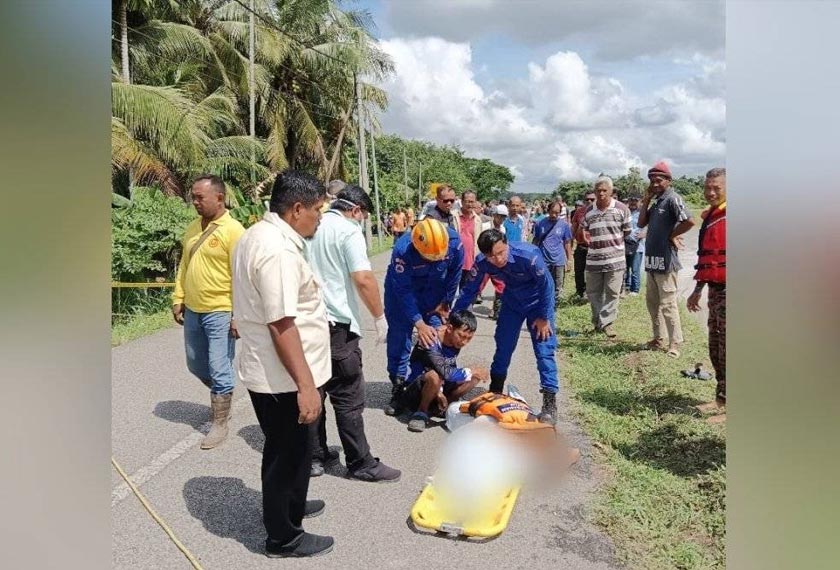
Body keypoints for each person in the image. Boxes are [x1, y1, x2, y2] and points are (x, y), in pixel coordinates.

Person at [231, 170, 333, 558]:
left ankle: (291, 505)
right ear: (296, 209)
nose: (320, 217)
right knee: (285, 453)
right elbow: (281, 323)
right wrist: (306, 387)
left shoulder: (259, 234)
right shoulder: (277, 251)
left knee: (297, 450)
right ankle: (283, 537)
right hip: (283, 376)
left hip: (279, 370)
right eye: (317, 210)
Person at [306, 185, 401, 482]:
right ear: (356, 210)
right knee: (347, 395)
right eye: (363, 216)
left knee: (314, 391)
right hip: (337, 326)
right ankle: (360, 463)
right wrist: (379, 317)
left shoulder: (310, 224)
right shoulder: (347, 230)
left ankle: (314, 456)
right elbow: (363, 278)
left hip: (307, 322)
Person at [454, 229, 561, 425]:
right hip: (512, 303)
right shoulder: (483, 262)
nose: (497, 259)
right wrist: (454, 318)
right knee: (503, 346)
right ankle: (495, 389)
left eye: (501, 252)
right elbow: (470, 290)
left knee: (544, 350)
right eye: (492, 256)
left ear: (506, 243)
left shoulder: (529, 256)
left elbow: (548, 286)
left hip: (539, 305)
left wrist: (544, 317)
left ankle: (549, 401)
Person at [172, 174, 245, 450]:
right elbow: (185, 267)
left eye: (200, 197)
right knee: (195, 364)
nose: (195, 202)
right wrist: (178, 297)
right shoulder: (192, 228)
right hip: (193, 308)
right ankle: (221, 392)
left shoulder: (233, 230)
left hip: (221, 310)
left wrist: (238, 314)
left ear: (219, 197)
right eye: (193, 197)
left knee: (218, 364)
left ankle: (219, 422)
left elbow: (240, 276)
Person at [383, 218, 464, 416]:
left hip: (434, 294)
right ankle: (400, 387)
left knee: (437, 336)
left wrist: (446, 302)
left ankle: (437, 384)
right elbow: (403, 291)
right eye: (430, 257)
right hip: (402, 294)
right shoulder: (402, 251)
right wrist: (418, 323)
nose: (436, 259)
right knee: (399, 338)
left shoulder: (454, 242)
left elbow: (455, 274)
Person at [637, 161, 696, 358]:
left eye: (659, 180)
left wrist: (672, 235)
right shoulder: (656, 201)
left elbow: (689, 220)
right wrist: (646, 200)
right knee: (652, 303)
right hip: (652, 261)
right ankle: (657, 338)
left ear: (668, 181)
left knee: (668, 304)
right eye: (652, 180)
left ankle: (675, 343)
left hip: (667, 261)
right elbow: (641, 222)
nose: (654, 183)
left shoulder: (673, 198)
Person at [401, 310, 490, 432]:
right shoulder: (431, 339)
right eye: (461, 336)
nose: (464, 342)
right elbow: (445, 373)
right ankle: (421, 413)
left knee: (476, 375)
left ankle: (446, 406)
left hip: (441, 381)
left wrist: (475, 373)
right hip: (416, 389)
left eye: (469, 338)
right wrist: (438, 391)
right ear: (449, 328)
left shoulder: (455, 340)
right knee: (436, 376)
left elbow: (448, 368)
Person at [687, 168, 727, 422]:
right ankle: (721, 398)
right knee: (716, 345)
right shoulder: (712, 216)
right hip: (715, 290)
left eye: (717, 188)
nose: (711, 192)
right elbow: (707, 259)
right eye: (708, 187)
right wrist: (697, 291)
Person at [577, 176, 631, 338]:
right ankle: (598, 323)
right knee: (593, 292)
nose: (601, 193)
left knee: (612, 292)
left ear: (611, 192)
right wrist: (587, 240)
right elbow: (582, 230)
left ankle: (607, 324)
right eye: (598, 190)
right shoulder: (589, 211)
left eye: (604, 190)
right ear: (594, 192)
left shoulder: (622, 209)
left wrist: (614, 242)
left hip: (615, 260)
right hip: (594, 260)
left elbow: (627, 231)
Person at [532, 200, 573, 308]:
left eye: (557, 213)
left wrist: (569, 260)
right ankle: (544, 303)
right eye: (552, 212)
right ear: (548, 210)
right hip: (543, 260)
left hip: (558, 260)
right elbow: (535, 240)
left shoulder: (564, 225)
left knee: (558, 285)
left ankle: (555, 306)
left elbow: (567, 243)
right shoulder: (540, 223)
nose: (554, 215)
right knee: (544, 282)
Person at [570, 192, 596, 301]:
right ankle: (580, 291)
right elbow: (573, 228)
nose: (589, 201)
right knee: (579, 270)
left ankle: (591, 292)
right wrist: (570, 244)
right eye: (587, 199)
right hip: (581, 246)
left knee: (593, 272)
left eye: (592, 199)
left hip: (595, 247)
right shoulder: (579, 212)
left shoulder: (600, 211)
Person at [458, 190, 483, 291]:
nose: (470, 204)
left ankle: (465, 307)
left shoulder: (477, 219)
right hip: (456, 260)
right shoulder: (453, 216)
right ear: (462, 201)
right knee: (450, 291)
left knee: (467, 289)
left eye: (472, 201)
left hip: (471, 261)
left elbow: (479, 241)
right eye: (467, 201)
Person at [623, 195, 647, 296]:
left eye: (636, 200)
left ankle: (635, 289)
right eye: (631, 200)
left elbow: (652, 226)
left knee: (635, 268)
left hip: (638, 245)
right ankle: (627, 286)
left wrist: (645, 233)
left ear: (640, 201)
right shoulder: (625, 212)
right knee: (625, 267)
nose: (633, 202)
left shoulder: (643, 213)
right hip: (625, 244)